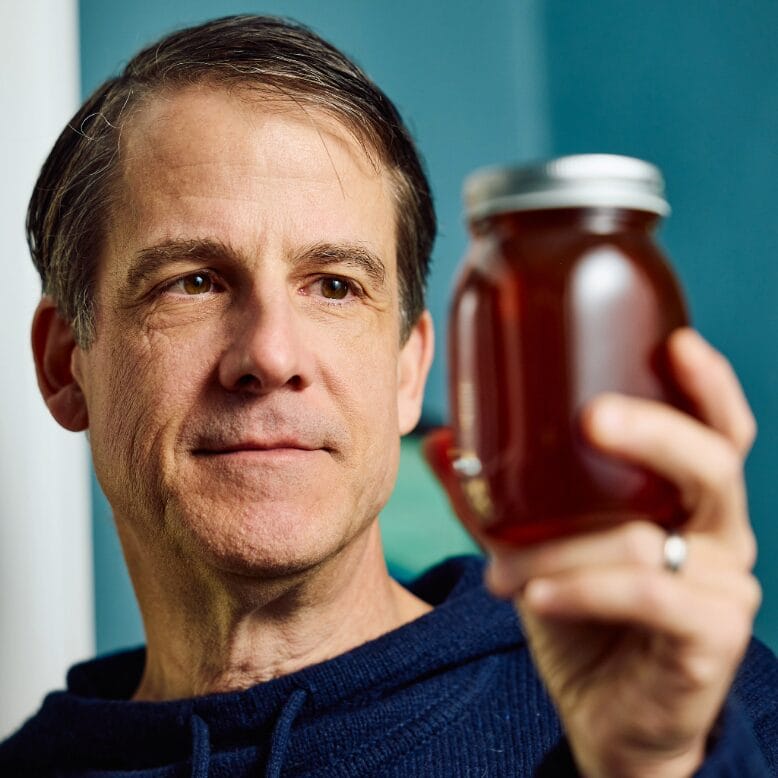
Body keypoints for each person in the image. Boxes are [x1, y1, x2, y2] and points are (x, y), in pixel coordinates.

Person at [1, 14, 776, 777]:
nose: (270, 355)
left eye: (335, 286)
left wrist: (652, 764)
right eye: (194, 283)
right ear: (67, 365)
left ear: (409, 372)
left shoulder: (698, 708)